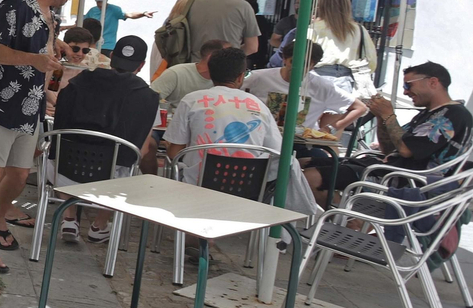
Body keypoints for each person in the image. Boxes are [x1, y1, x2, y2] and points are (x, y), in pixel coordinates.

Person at [0, 0, 80, 274]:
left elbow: (35, 41)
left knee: (18, 175)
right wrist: (33, 59)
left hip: (30, 105)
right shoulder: (13, 6)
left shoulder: (49, 13)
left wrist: (57, 44)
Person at [51, 36, 160, 242]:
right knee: (126, 166)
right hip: (110, 179)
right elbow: (143, 150)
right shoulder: (148, 98)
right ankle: (99, 225)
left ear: (111, 57)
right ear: (142, 65)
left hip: (63, 171)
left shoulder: (78, 82)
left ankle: (69, 218)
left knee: (63, 153)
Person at [245, 42, 367, 203]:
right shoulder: (258, 77)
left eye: (304, 64)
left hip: (298, 145)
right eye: (292, 62)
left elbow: (360, 107)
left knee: (324, 168)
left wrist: (331, 128)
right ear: (284, 60)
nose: (297, 68)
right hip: (261, 141)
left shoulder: (321, 86)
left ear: (313, 65)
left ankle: (336, 212)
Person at [164, 48, 283, 182]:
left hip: (197, 185)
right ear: (240, 77)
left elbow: (174, 153)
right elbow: (277, 152)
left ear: (210, 74)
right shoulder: (259, 105)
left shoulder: (191, 100)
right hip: (246, 186)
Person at [361, 62, 473, 175]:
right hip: (389, 171)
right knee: (349, 167)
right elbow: (389, 149)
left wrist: (388, 115)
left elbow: (406, 150)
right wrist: (381, 117)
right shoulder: (428, 113)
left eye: (408, 85)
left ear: (433, 82)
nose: (405, 92)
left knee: (349, 172)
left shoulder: (454, 114)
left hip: (407, 179)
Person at [300, 0, 376, 100]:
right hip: (346, 80)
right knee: (340, 110)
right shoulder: (359, 30)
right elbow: (371, 60)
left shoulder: (314, 28)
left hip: (316, 77)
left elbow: (298, 54)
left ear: (322, 6)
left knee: (313, 110)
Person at [187, 0, 260, 56]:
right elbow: (252, 47)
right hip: (225, 63)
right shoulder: (244, 7)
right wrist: (231, 56)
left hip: (194, 61)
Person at [152, 40, 228, 117]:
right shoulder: (176, 73)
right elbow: (150, 99)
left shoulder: (228, 79)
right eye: (228, 56)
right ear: (211, 57)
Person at [82, 0, 154, 54]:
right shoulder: (92, 11)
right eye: (98, 1)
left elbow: (130, 15)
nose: (100, 4)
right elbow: (83, 23)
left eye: (102, 1)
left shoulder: (114, 10)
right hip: (92, 46)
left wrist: (143, 14)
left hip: (108, 47)